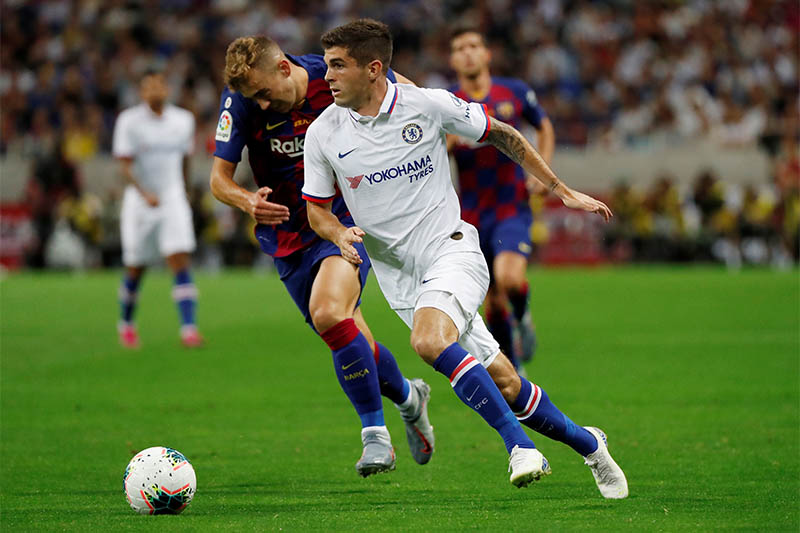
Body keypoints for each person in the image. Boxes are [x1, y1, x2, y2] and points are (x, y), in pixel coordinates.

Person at [302, 19, 628, 497]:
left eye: (336, 66)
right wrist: (338, 232)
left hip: (452, 250)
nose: (324, 76)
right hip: (401, 280)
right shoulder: (323, 133)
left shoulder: (426, 104)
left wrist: (560, 190)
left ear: (374, 69)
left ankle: (519, 448)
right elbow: (316, 210)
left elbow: (502, 133)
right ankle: (590, 445)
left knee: (428, 341)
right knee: (506, 382)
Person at [208, 36, 434, 477]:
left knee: (330, 313)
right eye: (253, 97)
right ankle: (410, 397)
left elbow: (404, 94)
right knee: (353, 338)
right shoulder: (240, 103)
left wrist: (445, 124)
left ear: (285, 69)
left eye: (265, 93)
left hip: (341, 219)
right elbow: (218, 179)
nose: (261, 103)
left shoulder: (333, 74)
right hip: (287, 237)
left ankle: (375, 437)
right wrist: (246, 201)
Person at [448, 27, 556, 368]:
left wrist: (543, 171)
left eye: (473, 45)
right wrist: (448, 143)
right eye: (460, 48)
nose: (467, 52)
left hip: (511, 204)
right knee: (492, 303)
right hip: (472, 213)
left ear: (486, 54)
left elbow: (545, 127)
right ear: (453, 60)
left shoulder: (514, 92)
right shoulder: (448, 102)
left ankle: (523, 318)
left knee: (510, 279)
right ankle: (516, 367)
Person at [112, 69, 203, 348]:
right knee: (136, 267)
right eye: (149, 86)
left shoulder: (183, 120)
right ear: (141, 92)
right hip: (140, 202)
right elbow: (124, 165)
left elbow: (185, 160)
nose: (156, 90)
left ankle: (189, 329)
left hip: (172, 197)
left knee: (180, 259)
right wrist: (143, 192)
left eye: (160, 85)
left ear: (167, 89)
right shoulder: (129, 121)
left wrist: (184, 191)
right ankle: (126, 323)